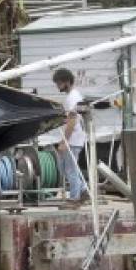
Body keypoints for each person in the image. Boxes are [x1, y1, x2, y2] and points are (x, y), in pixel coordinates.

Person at [52, 68, 87, 202]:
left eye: (59, 83)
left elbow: (72, 121)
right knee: (71, 168)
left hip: (72, 140)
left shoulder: (72, 98)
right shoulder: (75, 96)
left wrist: (64, 142)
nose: (57, 86)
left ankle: (74, 198)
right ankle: (83, 190)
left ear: (66, 81)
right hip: (77, 139)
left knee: (69, 170)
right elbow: (71, 118)